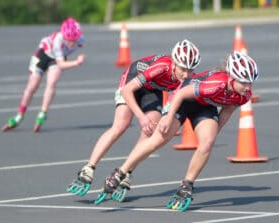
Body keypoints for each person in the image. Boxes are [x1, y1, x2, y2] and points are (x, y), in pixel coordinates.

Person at [96, 51, 259, 211]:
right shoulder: (214, 84)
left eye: (250, 82)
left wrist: (215, 131)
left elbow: (227, 110)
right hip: (183, 100)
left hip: (204, 107)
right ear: (231, 78)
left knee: (207, 142)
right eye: (244, 82)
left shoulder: (244, 95)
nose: (247, 87)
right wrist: (167, 117)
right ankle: (120, 172)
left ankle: (186, 185)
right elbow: (180, 94)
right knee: (158, 140)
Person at [67, 39, 201, 198]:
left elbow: (176, 103)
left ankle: (127, 173)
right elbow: (127, 91)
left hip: (153, 89)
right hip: (133, 81)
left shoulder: (187, 80)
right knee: (121, 125)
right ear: (174, 63)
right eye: (183, 69)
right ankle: (88, 168)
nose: (186, 74)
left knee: (150, 131)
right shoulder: (161, 68)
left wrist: (169, 121)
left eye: (190, 70)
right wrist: (141, 116)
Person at [1, 17, 85, 133]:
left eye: (73, 40)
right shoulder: (58, 40)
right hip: (43, 54)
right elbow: (61, 64)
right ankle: (19, 115)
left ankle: (42, 113)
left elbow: (59, 62)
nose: (71, 43)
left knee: (52, 83)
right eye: (68, 40)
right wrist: (76, 62)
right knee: (32, 86)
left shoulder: (81, 40)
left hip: (56, 58)